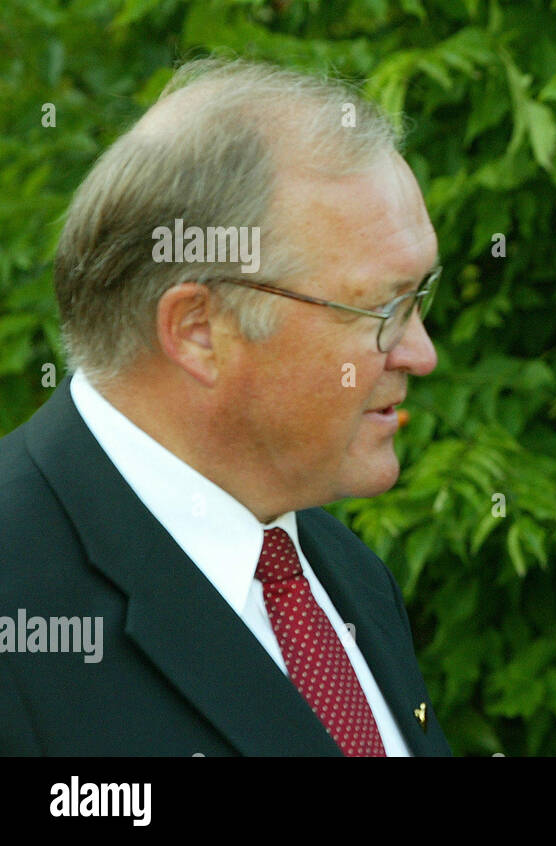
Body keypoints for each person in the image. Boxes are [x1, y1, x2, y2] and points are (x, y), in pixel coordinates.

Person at [0, 58, 452, 756]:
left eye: (421, 296)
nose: (420, 353)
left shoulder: (339, 571)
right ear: (198, 331)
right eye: (379, 307)